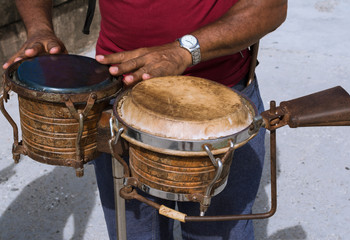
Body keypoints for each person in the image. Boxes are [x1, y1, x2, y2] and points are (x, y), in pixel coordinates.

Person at [4, 0, 287, 239]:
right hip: (118, 94)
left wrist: (184, 50)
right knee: (134, 232)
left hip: (221, 105)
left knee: (219, 231)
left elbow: (270, 7)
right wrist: (40, 28)